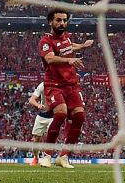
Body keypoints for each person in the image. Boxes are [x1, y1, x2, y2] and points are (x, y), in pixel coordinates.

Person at [38, 9, 93, 169]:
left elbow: (70, 47)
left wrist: (82, 46)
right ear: (51, 22)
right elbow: (49, 58)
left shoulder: (66, 38)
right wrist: (69, 61)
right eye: (58, 20)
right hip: (54, 85)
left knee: (80, 117)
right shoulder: (45, 41)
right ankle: (46, 155)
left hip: (72, 85)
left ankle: (63, 156)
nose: (62, 23)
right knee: (61, 114)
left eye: (64, 20)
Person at [27, 82, 54, 166]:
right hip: (42, 115)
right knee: (36, 139)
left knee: (50, 137)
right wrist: (38, 105)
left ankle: (47, 158)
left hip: (53, 116)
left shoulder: (59, 84)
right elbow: (31, 100)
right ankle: (36, 157)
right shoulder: (42, 85)